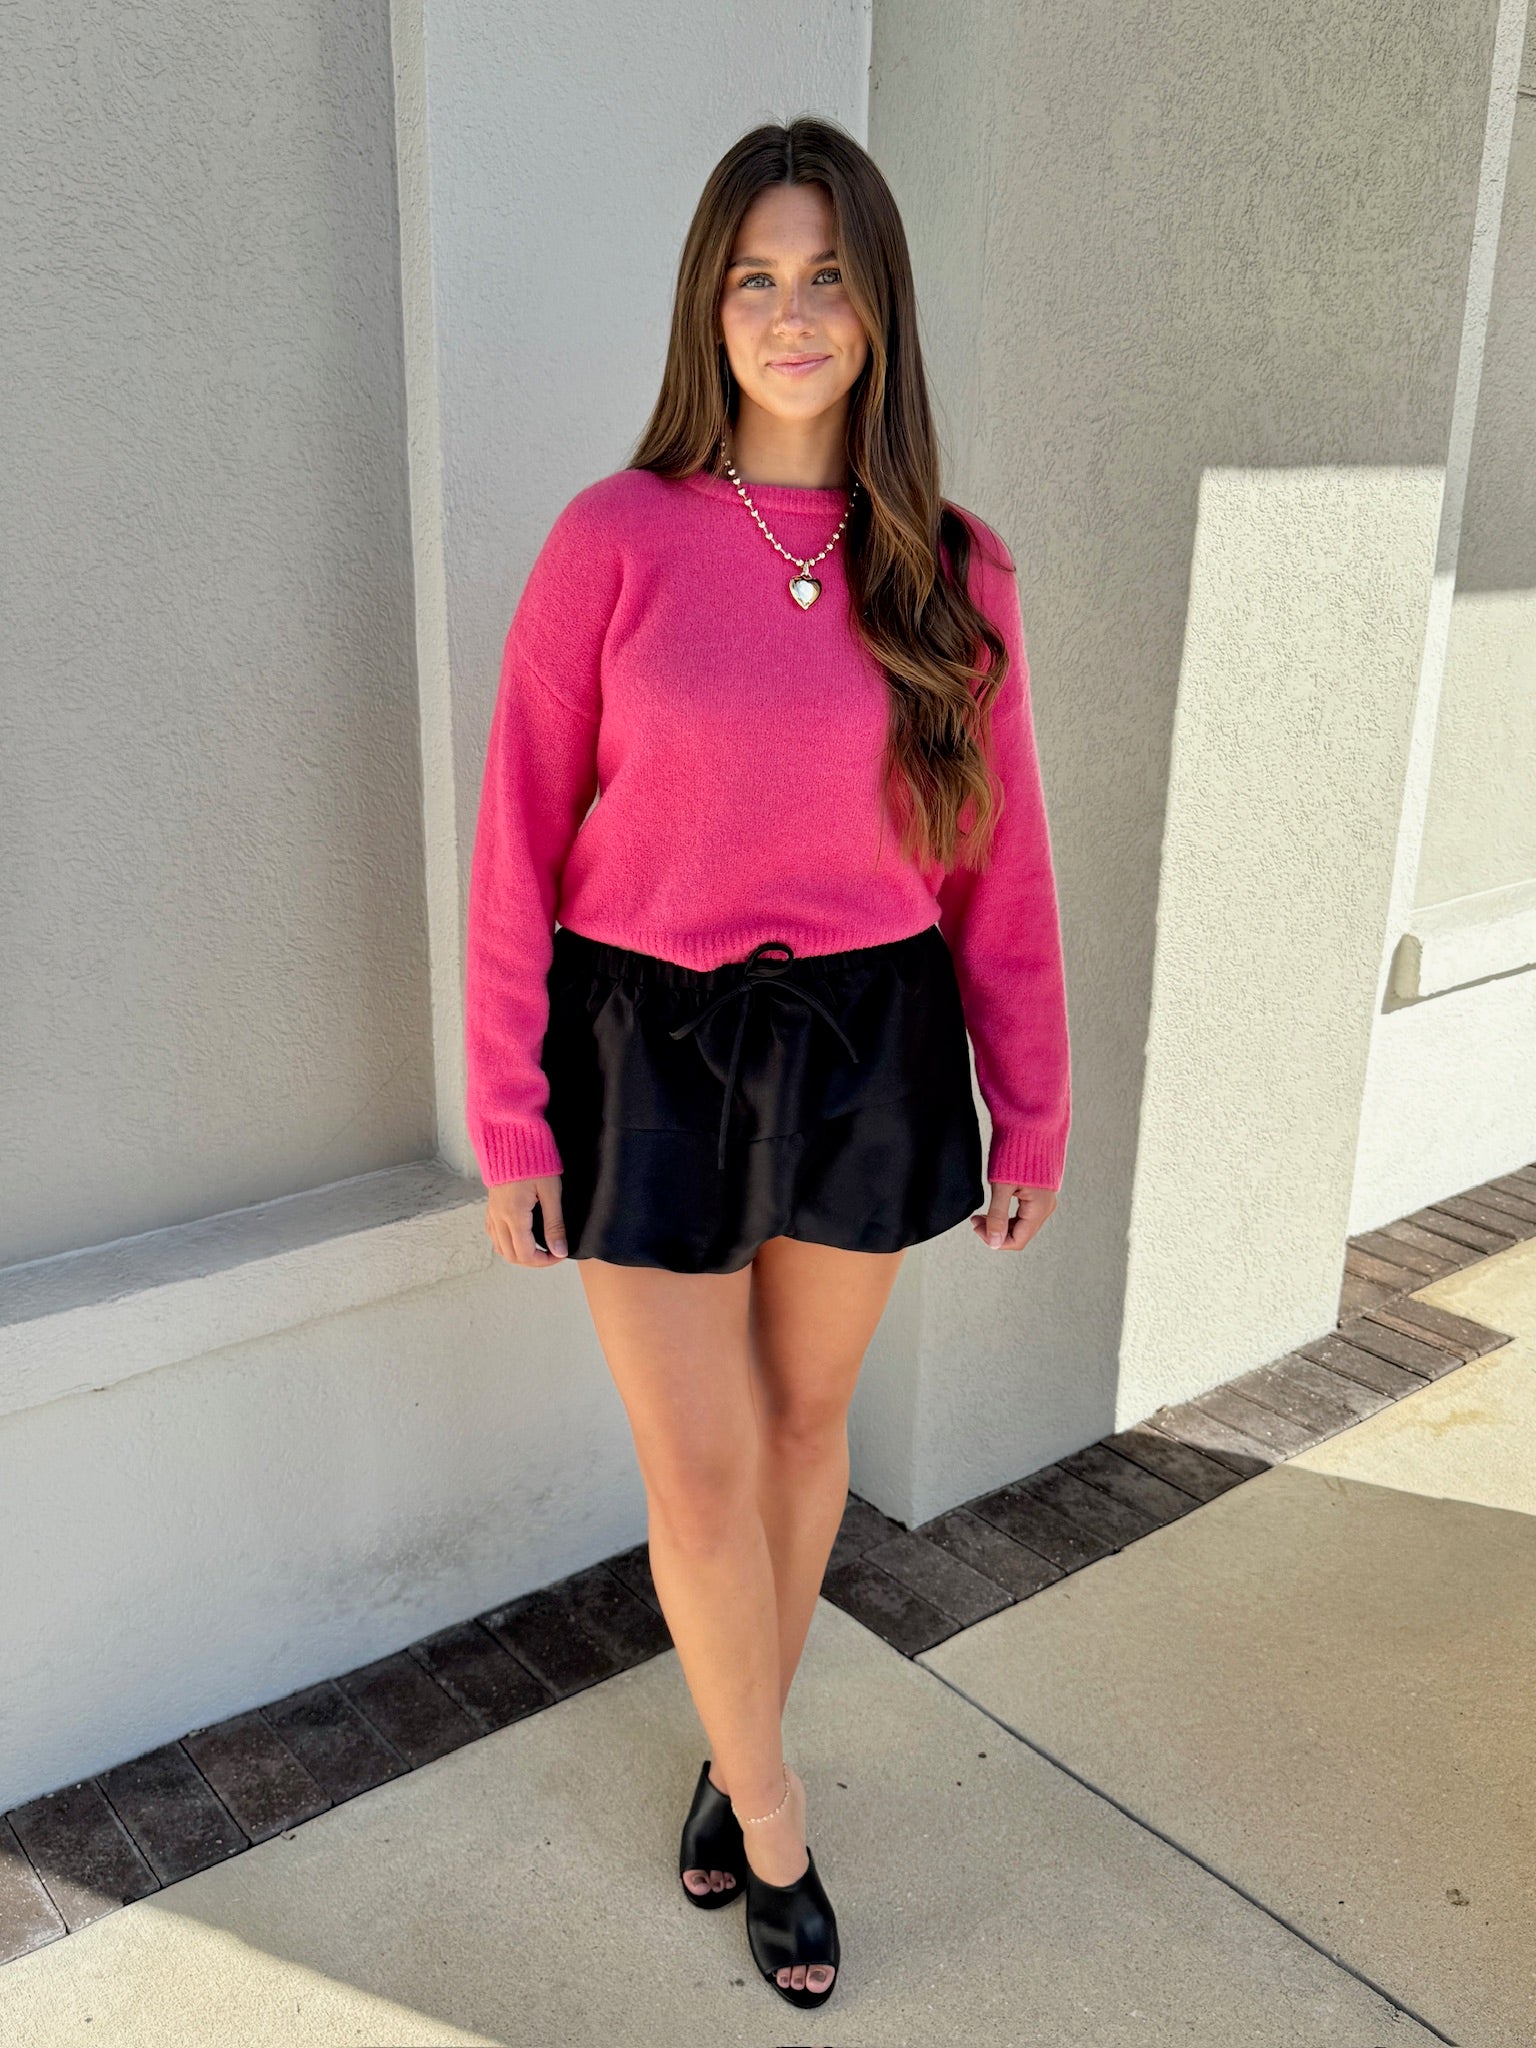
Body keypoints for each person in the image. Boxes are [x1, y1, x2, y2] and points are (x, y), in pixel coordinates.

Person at [463, 114, 1071, 2015]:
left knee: (809, 1441)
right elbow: (512, 839)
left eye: (827, 278)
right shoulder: (613, 540)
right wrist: (507, 1112)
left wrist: (1028, 1097)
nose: (791, 315)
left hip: (871, 1041)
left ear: (878, 309)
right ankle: (783, 1824)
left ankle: (731, 1752)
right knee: (703, 1474)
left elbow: (1001, 862)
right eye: (756, 277)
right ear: (705, 306)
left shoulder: (951, 572)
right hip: (645, 1045)